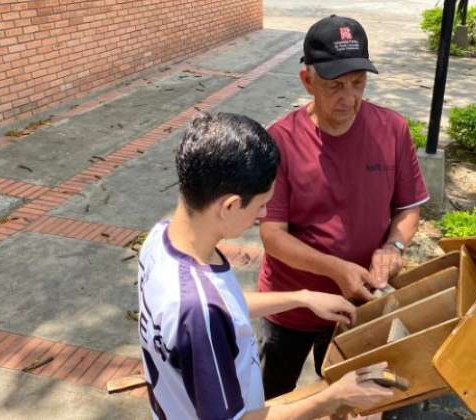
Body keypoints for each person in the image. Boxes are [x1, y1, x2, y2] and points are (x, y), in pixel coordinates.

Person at [137, 112, 393, 419]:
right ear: (230, 205)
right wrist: (333, 397)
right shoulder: (199, 312)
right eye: (261, 204)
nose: (265, 213)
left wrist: (301, 298)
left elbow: (224, 305)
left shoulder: (161, 239)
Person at [257, 15, 430, 399]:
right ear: (307, 80)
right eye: (335, 86)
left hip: (359, 305)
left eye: (358, 84)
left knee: (344, 396)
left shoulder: (393, 129)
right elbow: (272, 236)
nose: (349, 99)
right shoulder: (280, 140)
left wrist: (393, 246)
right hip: (292, 304)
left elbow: (408, 209)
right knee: (272, 396)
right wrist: (336, 270)